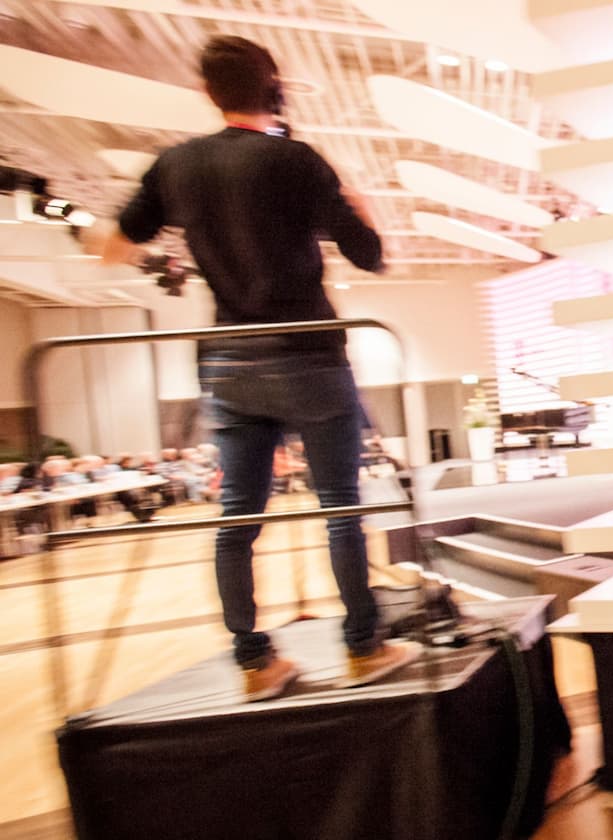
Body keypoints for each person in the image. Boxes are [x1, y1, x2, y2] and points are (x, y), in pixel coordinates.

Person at [98, 35, 415, 701]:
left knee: (237, 520)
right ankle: (364, 647)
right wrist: (358, 203)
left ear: (208, 93)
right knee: (340, 511)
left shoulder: (174, 165)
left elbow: (113, 245)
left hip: (228, 362)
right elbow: (371, 256)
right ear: (275, 91)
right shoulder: (297, 160)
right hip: (306, 354)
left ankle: (254, 662)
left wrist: (176, 261)